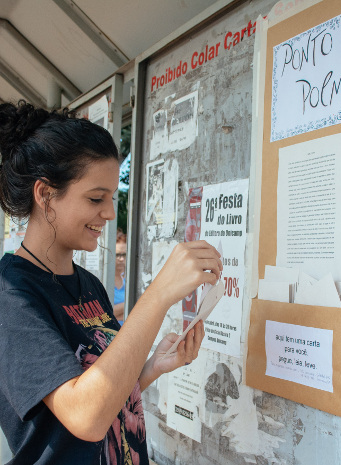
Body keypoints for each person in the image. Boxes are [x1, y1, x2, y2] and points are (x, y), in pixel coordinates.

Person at [0, 100, 222, 464]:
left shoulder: (89, 284)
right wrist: (159, 294)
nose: (108, 212)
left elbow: (105, 395)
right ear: (45, 195)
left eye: (112, 197)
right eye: (95, 198)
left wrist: (151, 367)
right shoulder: (12, 294)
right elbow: (85, 416)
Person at [113, 230, 127, 324]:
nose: (121, 259)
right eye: (117, 255)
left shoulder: (131, 279)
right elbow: (103, 314)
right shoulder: (104, 279)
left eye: (124, 255)